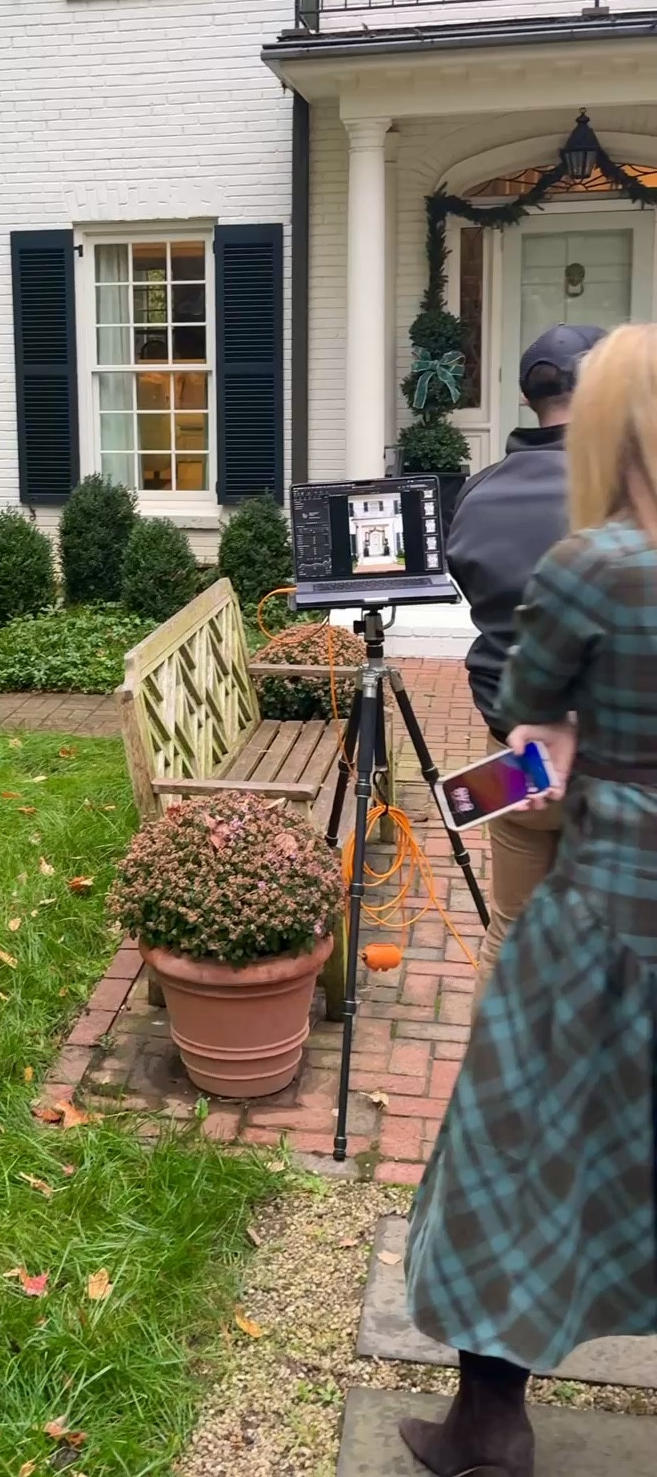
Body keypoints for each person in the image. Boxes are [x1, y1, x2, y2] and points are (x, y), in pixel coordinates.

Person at [403, 322, 657, 1477]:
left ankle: (489, 1427)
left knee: (511, 1141)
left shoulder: (592, 564)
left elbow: (535, 733)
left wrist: (485, 780)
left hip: (608, 905)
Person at [447, 322, 607, 999]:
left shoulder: (477, 491)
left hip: (516, 755)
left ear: (527, 397)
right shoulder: (632, 491)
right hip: (613, 761)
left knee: (510, 928)